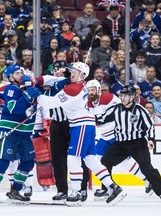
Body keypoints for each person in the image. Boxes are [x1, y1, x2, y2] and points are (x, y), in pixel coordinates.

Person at [37, 62, 126, 206]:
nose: (71, 74)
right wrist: (66, 73)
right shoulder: (79, 85)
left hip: (81, 125)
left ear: (82, 76)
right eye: (71, 71)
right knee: (91, 160)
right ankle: (113, 187)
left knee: (73, 158)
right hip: (85, 124)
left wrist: (36, 95)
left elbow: (50, 103)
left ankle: (77, 192)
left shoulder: (73, 89)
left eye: (75, 72)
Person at [96, 85, 161, 201]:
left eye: (125, 96)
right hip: (121, 144)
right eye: (121, 95)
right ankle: (110, 189)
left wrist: (151, 139)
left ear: (132, 97)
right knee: (105, 162)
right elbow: (102, 118)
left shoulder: (140, 110)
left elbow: (150, 126)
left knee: (146, 168)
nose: (122, 98)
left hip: (138, 144)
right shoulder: (116, 109)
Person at [0, 64, 38, 204]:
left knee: (28, 161)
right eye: (17, 73)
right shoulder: (11, 89)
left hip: (24, 133)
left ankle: (15, 190)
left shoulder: (30, 89)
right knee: (3, 160)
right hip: (9, 131)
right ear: (10, 77)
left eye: (21, 72)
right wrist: (27, 95)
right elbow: (14, 109)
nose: (20, 75)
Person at [86, 80, 151, 200]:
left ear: (99, 90)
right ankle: (107, 187)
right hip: (104, 136)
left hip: (116, 135)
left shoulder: (108, 98)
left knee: (123, 161)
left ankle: (147, 180)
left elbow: (123, 108)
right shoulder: (89, 103)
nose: (90, 92)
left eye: (93, 89)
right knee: (99, 160)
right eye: (88, 90)